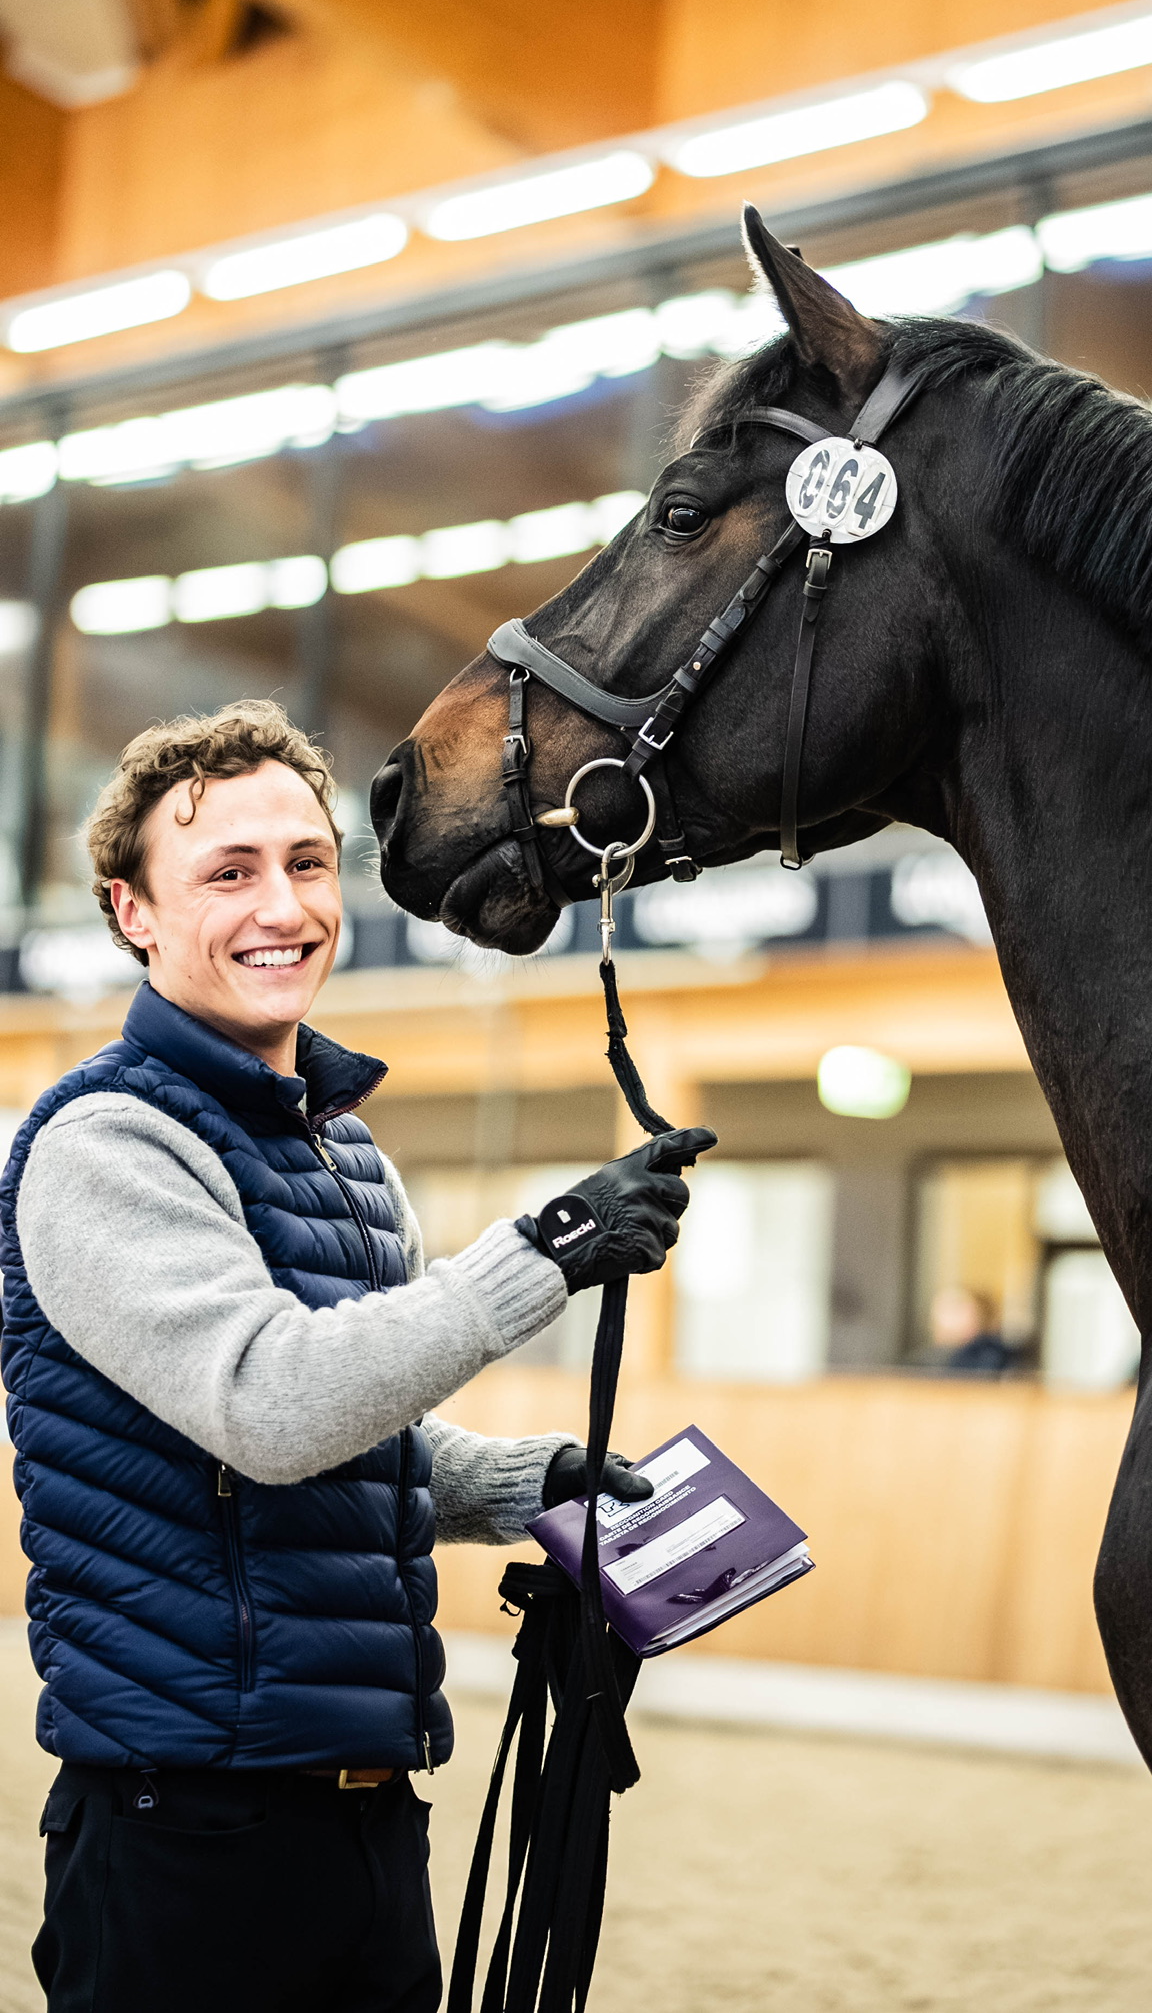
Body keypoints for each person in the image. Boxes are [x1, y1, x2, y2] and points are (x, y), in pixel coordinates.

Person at [0, 701, 714, 2013]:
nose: (284, 903)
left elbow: (338, 1438)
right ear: (133, 911)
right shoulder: (105, 1145)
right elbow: (270, 1406)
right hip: (190, 1834)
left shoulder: (342, 1155)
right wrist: (548, 1248)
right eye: (227, 872)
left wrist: (520, 1483)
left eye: (307, 863)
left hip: (367, 1810)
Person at [926, 1283, 1021, 1374]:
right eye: (942, 1310)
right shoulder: (927, 1360)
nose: (944, 1319)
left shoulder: (992, 1358)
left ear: (981, 1316)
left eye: (956, 1309)